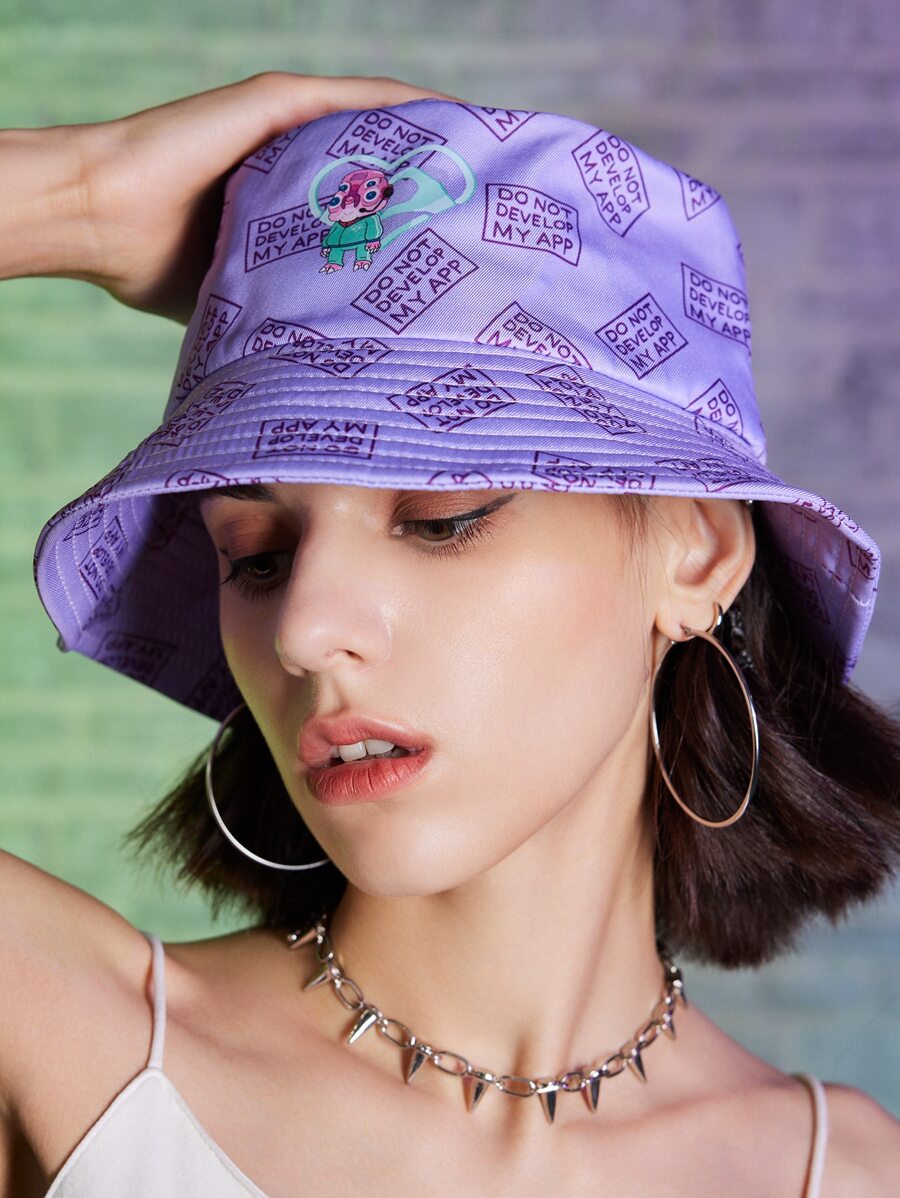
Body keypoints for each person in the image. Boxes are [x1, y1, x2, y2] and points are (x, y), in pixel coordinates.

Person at [1, 71, 899, 1198]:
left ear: (696, 554)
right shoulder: (56, 1039)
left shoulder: (849, 1173)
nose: (304, 630)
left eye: (439, 519)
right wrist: (74, 198)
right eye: (256, 556)